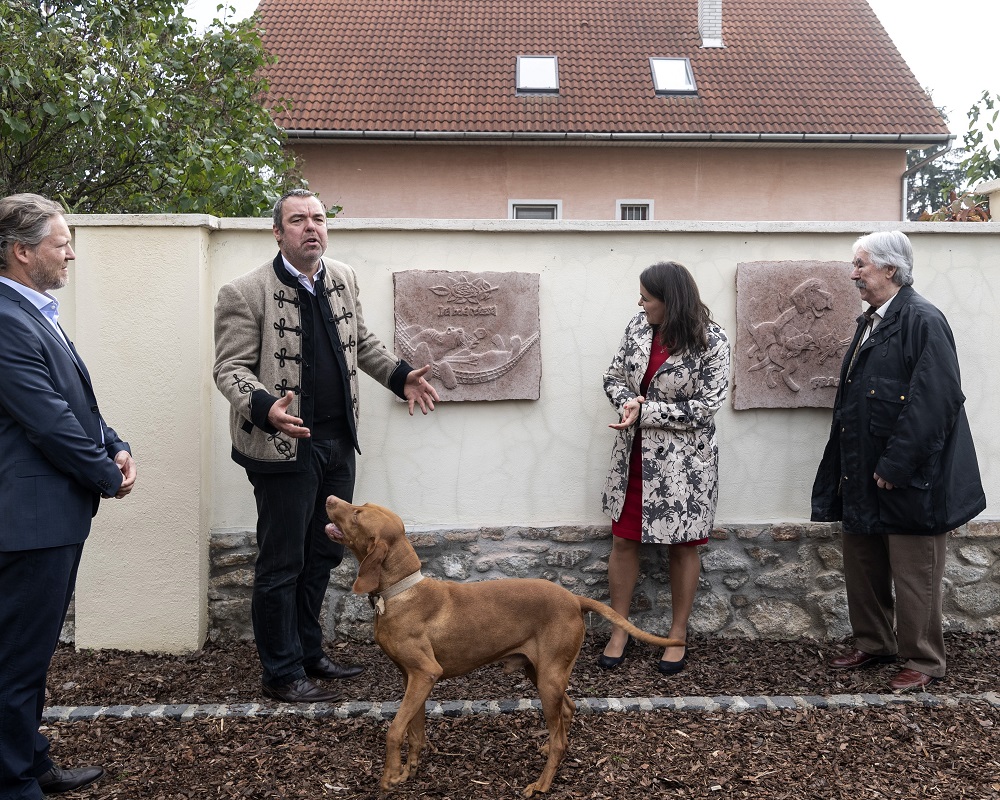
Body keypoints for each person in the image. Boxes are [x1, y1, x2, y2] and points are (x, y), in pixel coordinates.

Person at [214, 189, 439, 704]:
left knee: (323, 555)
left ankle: (310, 652)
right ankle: (281, 670)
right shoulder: (243, 292)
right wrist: (265, 405)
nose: (311, 227)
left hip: (338, 443)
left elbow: (362, 343)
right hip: (281, 449)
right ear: (277, 232)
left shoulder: (343, 278)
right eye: (298, 220)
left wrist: (401, 377)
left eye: (317, 218)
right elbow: (229, 368)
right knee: (281, 562)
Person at [0, 194, 137, 798]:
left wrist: (114, 443)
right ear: (21, 251)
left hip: (49, 517)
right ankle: (13, 783)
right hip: (28, 521)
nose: (71, 253)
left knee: (28, 657)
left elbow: (76, 404)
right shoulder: (5, 319)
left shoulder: (34, 311)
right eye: (61, 243)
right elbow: (48, 421)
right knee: (16, 662)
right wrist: (108, 474)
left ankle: (29, 760)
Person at [812, 231, 986, 692]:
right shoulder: (871, 320)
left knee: (914, 573)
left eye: (861, 264)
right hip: (862, 469)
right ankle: (874, 642)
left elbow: (936, 401)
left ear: (890, 269)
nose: (853, 273)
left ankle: (923, 660)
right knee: (863, 563)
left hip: (907, 476)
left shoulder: (923, 319)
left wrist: (896, 465)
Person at [600, 261, 730, 674]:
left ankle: (677, 634)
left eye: (647, 297)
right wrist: (626, 401)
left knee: (683, 545)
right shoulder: (638, 327)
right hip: (635, 455)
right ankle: (619, 630)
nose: (640, 303)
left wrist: (646, 409)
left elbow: (708, 406)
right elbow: (614, 376)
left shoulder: (713, 340)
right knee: (623, 541)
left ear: (670, 302)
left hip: (684, 466)